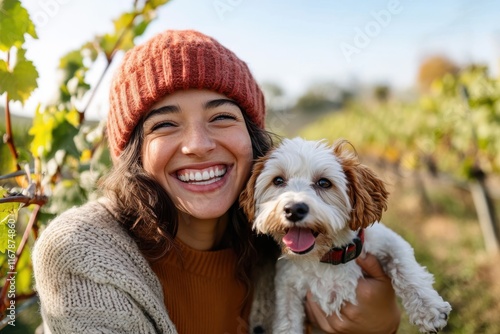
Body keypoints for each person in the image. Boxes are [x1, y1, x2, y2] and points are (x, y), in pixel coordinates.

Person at [33, 29, 400, 334]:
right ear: (134, 154)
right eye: (164, 124)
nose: (199, 145)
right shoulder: (79, 251)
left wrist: (381, 325)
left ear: (254, 141)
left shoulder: (287, 242)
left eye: (221, 117)